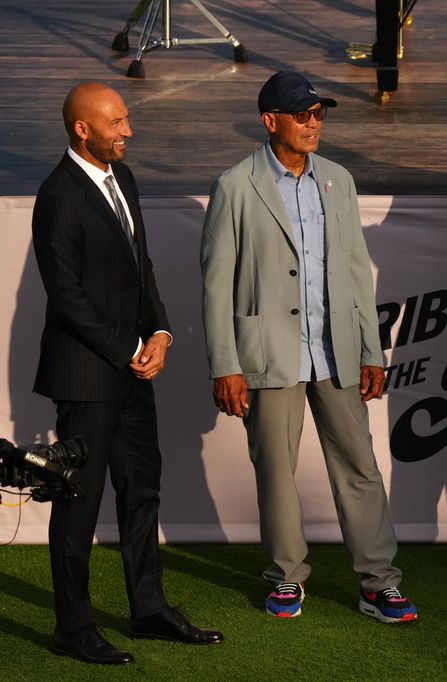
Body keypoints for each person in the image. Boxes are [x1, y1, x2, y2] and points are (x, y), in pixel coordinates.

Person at [200, 71, 416, 624]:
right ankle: (286, 577)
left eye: (320, 113)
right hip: (267, 354)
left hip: (338, 350)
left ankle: (379, 583)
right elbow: (216, 284)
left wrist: (371, 349)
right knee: (275, 469)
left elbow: (353, 270)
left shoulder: (338, 180)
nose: (314, 122)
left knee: (360, 467)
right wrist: (225, 364)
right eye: (303, 114)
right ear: (270, 121)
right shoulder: (234, 186)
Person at [32, 82, 223, 665]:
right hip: (88, 379)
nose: (128, 131)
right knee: (78, 506)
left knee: (142, 493)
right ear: (82, 129)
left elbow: (142, 272)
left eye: (127, 119)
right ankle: (73, 628)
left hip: (134, 371)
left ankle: (148, 610)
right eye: (116, 122)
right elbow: (66, 295)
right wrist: (131, 348)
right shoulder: (57, 196)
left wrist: (160, 333)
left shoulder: (124, 179)